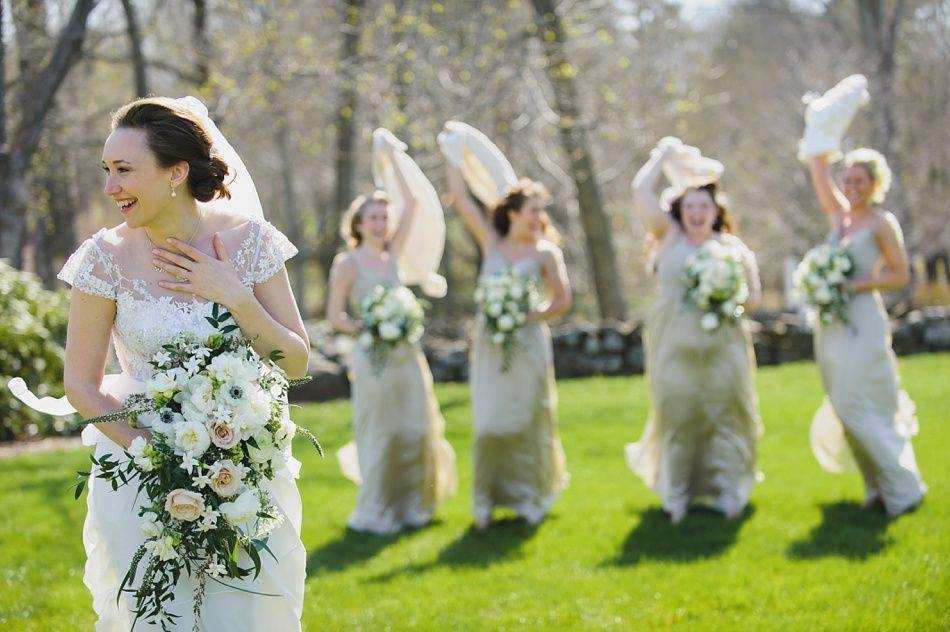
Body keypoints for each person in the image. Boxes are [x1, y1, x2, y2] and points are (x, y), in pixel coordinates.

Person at [59, 96, 309, 629]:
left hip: (242, 473)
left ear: (176, 171)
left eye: (124, 170)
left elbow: (295, 360)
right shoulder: (102, 259)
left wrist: (234, 295)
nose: (110, 187)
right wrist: (159, 458)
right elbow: (81, 384)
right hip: (140, 478)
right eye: (107, 170)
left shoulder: (251, 243)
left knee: (244, 614)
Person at [625, 139, 762, 524]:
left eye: (704, 206)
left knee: (725, 415)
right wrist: (662, 156)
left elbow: (754, 296)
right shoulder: (668, 237)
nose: (697, 213)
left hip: (724, 348)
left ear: (715, 210)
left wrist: (725, 295)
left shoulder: (732, 248)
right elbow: (640, 191)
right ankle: (677, 496)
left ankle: (729, 492)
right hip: (673, 350)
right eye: (690, 206)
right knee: (679, 417)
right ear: (679, 210)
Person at [326, 146, 456, 534]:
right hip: (372, 359)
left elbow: (414, 200)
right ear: (359, 223)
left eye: (385, 217)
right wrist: (370, 327)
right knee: (381, 431)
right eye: (374, 217)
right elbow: (335, 317)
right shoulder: (347, 263)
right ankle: (378, 510)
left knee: (415, 427)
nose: (381, 223)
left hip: (406, 357)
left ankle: (416, 504)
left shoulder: (393, 255)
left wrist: (391, 151)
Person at [445, 163, 571, 530]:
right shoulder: (492, 243)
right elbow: (463, 203)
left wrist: (529, 315)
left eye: (541, 211)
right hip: (490, 347)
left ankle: (531, 498)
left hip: (528, 345)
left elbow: (562, 301)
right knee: (489, 424)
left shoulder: (546, 253)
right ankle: (485, 500)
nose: (540, 218)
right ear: (514, 213)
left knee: (530, 420)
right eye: (534, 210)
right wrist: (453, 154)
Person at [805, 149, 926, 515]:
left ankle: (904, 488)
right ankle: (874, 487)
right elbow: (819, 177)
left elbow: (900, 274)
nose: (852, 186)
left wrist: (856, 284)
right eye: (848, 179)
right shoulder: (839, 217)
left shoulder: (881, 222)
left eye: (859, 180)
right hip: (832, 324)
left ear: (874, 184)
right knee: (842, 406)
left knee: (859, 404)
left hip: (863, 319)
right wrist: (820, 149)